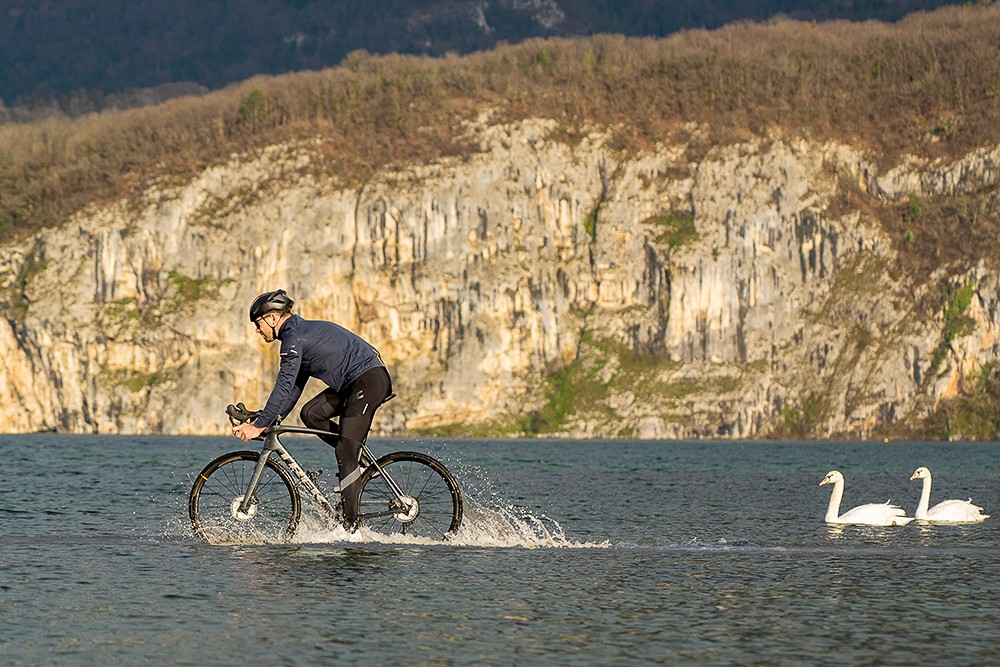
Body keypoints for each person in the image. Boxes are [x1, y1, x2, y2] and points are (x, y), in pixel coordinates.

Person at [233, 289, 393, 532]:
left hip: (368, 381)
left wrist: (259, 425)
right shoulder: (296, 334)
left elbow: (284, 383)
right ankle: (357, 462)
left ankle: (350, 529)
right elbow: (294, 388)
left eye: (258, 323)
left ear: (273, 317)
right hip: (355, 383)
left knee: (345, 450)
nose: (257, 330)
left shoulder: (293, 338)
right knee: (311, 414)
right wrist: (270, 420)